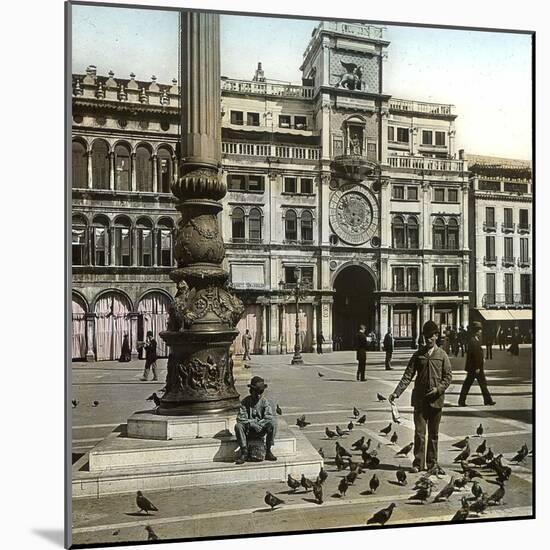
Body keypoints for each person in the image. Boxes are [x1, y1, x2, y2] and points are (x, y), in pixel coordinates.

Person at [389, 320, 452, 473]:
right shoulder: (418, 355)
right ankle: (418, 463)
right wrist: (396, 393)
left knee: (434, 435)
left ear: (436, 336)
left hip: (436, 401)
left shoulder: (442, 355)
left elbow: (448, 377)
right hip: (420, 400)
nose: (428, 339)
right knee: (419, 433)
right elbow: (407, 375)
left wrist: (438, 390)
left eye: (431, 336)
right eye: (426, 336)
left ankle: (432, 464)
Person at [234, 376, 277, 464]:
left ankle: (268, 450)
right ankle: (244, 451)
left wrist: (260, 424)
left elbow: (268, 417)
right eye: (256, 392)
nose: (258, 395)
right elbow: (241, 418)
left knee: (273, 423)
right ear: (251, 391)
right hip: (248, 430)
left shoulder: (264, 402)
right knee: (238, 426)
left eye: (261, 392)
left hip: (261, 429)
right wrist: (252, 423)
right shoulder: (245, 402)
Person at [458, 322, 495, 407]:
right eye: (479, 330)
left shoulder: (476, 339)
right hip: (474, 367)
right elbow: (473, 356)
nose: (481, 331)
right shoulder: (473, 341)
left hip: (477, 367)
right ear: (476, 331)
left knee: (482, 384)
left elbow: (478, 353)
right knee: (468, 384)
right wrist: (477, 367)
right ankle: (461, 401)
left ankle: (488, 400)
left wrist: (482, 359)